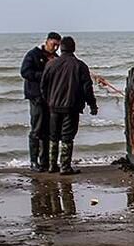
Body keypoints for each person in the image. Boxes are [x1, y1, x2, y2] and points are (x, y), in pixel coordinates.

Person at [41, 36, 98, 175]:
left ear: (61, 48)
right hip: (71, 107)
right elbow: (87, 89)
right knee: (67, 137)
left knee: (53, 136)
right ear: (74, 48)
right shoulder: (80, 65)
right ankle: (65, 167)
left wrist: (49, 101)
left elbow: (43, 86)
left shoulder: (51, 64)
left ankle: (52, 166)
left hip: (54, 106)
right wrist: (92, 105)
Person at [20, 31, 60, 172]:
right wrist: (44, 76)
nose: (55, 48)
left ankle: (45, 161)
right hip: (36, 96)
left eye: (58, 46)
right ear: (47, 41)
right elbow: (25, 72)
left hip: (50, 98)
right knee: (36, 129)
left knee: (48, 131)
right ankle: (33, 161)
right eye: (53, 44)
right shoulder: (33, 54)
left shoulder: (55, 57)